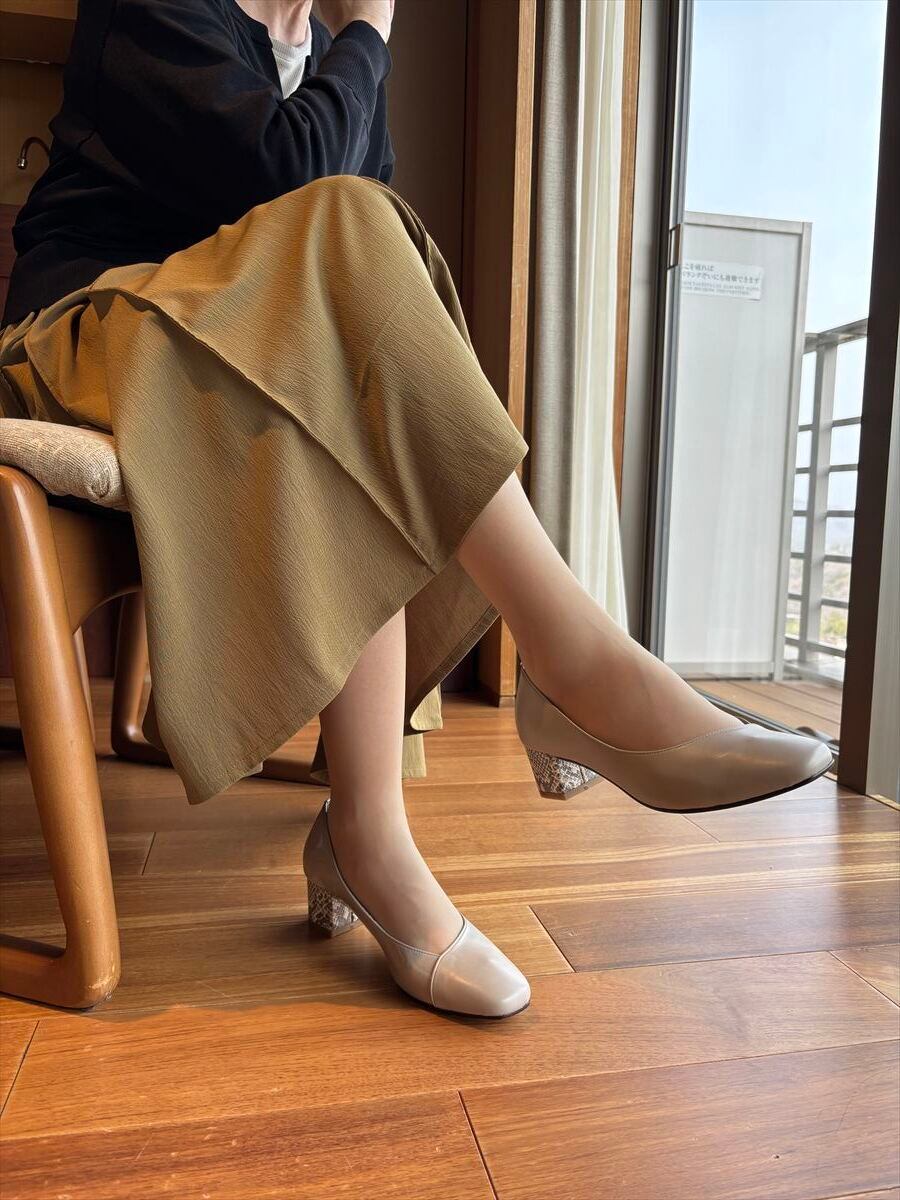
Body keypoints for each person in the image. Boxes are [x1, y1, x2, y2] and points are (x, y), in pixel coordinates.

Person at [0, 0, 832, 1020]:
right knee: (343, 245)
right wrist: (369, 37)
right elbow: (293, 179)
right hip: (84, 332)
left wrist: (343, 55)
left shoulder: (322, 51)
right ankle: (567, 673)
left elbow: (359, 248)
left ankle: (374, 828)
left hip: (238, 349)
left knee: (356, 308)